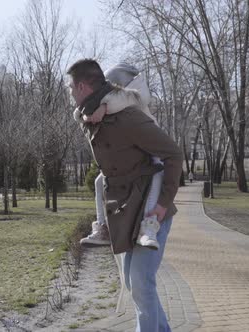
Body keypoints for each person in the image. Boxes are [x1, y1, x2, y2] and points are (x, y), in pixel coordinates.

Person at [67, 59, 183, 332]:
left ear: (82, 86)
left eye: (71, 87)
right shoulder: (91, 120)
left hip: (150, 211)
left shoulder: (129, 117)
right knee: (134, 284)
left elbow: (173, 154)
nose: (69, 92)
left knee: (142, 283)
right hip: (125, 211)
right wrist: (93, 112)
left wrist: (164, 204)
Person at [77, 63, 164, 250]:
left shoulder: (134, 97)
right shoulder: (111, 100)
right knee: (99, 183)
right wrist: (87, 113)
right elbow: (80, 111)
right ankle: (103, 227)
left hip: (153, 148)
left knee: (158, 173)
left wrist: (103, 108)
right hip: (134, 151)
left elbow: (123, 101)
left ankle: (148, 226)